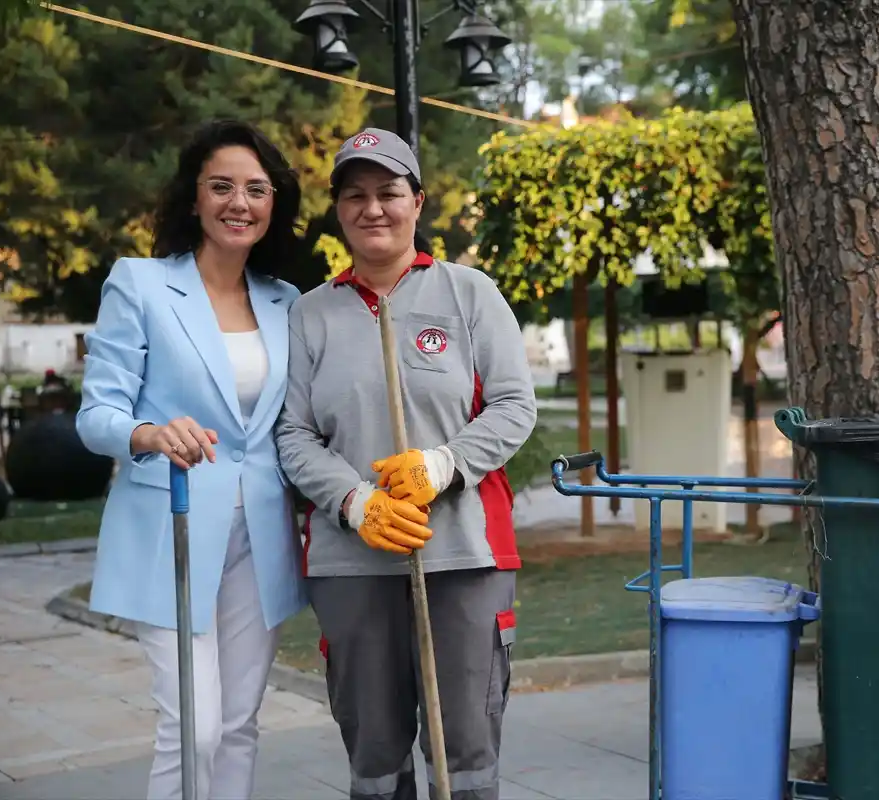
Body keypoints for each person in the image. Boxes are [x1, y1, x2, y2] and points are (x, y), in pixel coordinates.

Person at [274, 127, 537, 800]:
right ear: (339, 212)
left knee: (467, 754)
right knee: (374, 752)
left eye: (389, 192)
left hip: (463, 555)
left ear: (417, 202)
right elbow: (294, 435)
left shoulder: (468, 294)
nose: (373, 209)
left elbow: (513, 406)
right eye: (355, 196)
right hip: (350, 563)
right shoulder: (310, 315)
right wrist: (356, 502)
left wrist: (444, 465)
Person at [76, 119, 308, 800]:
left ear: (273, 205)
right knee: (194, 726)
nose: (240, 202)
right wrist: (149, 434)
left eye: (256, 189)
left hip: (261, 537)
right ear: (194, 198)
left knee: (238, 724)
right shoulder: (141, 284)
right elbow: (97, 416)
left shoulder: (285, 302)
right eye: (222, 187)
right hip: (168, 530)